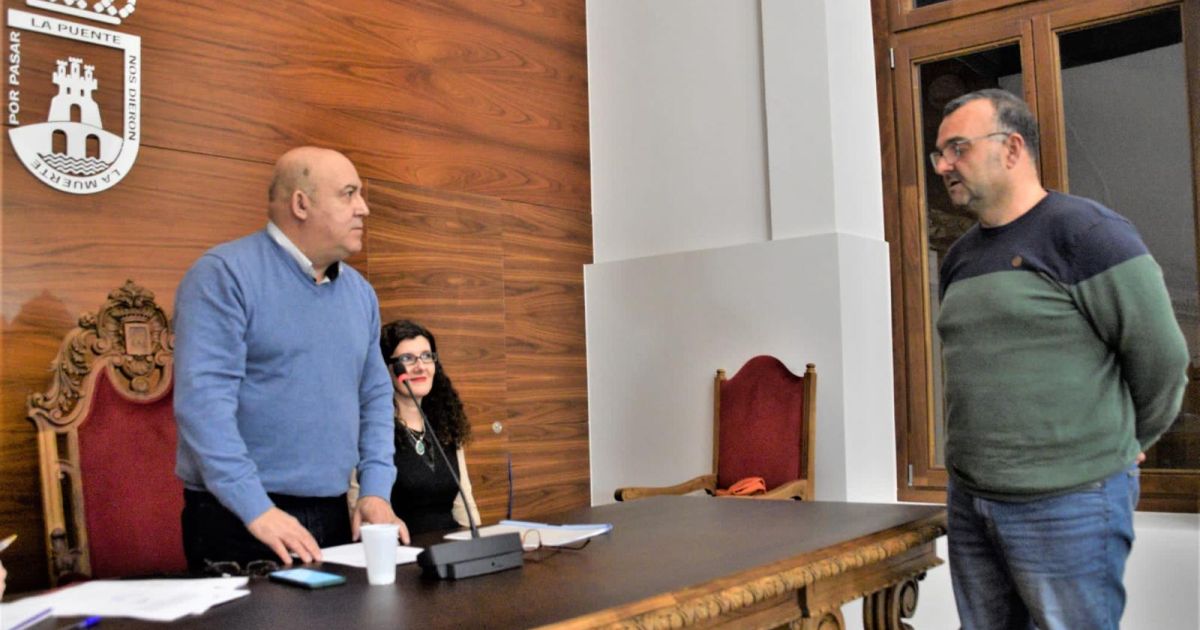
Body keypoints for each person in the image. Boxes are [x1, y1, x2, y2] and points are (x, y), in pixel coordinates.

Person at [932, 88, 1189, 629]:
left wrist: (1126, 444)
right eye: (939, 154)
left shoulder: (1089, 235)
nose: (943, 166)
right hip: (971, 500)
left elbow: (1163, 363)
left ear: (1012, 148)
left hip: (1070, 503)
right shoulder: (959, 258)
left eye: (957, 148)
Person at [174, 146, 408, 573]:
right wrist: (255, 508)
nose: (364, 208)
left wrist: (376, 490)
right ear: (301, 204)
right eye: (349, 194)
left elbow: (375, 397)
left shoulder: (360, 294)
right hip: (239, 518)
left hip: (333, 513)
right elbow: (203, 406)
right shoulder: (223, 275)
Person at [380, 319, 481, 534]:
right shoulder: (373, 431)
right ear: (386, 369)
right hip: (402, 548)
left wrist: (478, 544)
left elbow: (464, 505)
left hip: (451, 547)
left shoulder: (446, 424)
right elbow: (362, 511)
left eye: (426, 356)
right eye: (407, 359)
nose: (420, 367)